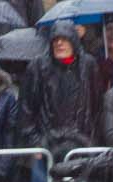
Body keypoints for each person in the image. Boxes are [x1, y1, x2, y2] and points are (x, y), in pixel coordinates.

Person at [20, 21, 102, 163]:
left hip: (81, 146)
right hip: (45, 147)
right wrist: (35, 142)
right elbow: (26, 109)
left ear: (74, 41)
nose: (59, 43)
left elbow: (97, 106)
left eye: (64, 39)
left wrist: (91, 140)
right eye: (56, 40)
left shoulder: (88, 65)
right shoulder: (37, 67)